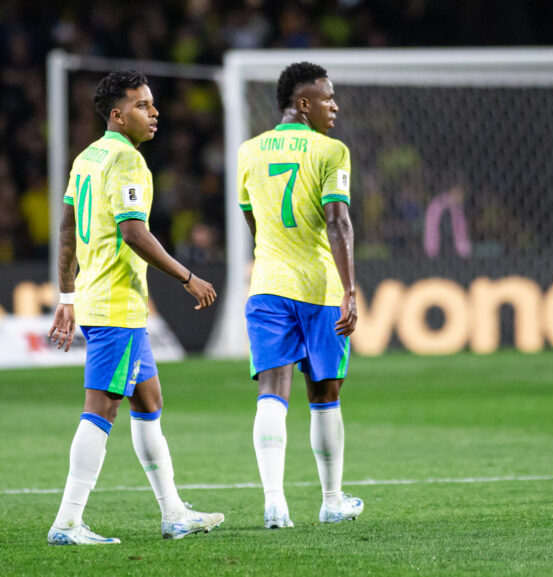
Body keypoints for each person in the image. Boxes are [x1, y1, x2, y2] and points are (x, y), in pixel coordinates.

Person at [46, 70, 224, 545]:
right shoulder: (127, 162)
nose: (155, 112)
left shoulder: (88, 156)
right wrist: (187, 276)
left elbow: (67, 228)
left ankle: (174, 514)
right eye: (143, 105)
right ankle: (67, 522)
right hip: (116, 304)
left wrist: (67, 296)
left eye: (153, 104)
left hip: (103, 299)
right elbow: (133, 232)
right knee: (101, 407)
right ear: (118, 115)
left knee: (149, 402)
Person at [236, 61, 363, 529]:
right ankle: (331, 501)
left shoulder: (248, 151)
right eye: (327, 98)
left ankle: (274, 503)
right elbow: (338, 221)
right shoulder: (331, 151)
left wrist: (273, 251)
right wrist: (350, 290)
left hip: (267, 286)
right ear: (303, 103)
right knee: (325, 393)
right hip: (320, 288)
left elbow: (253, 220)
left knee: (271, 393)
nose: (335, 106)